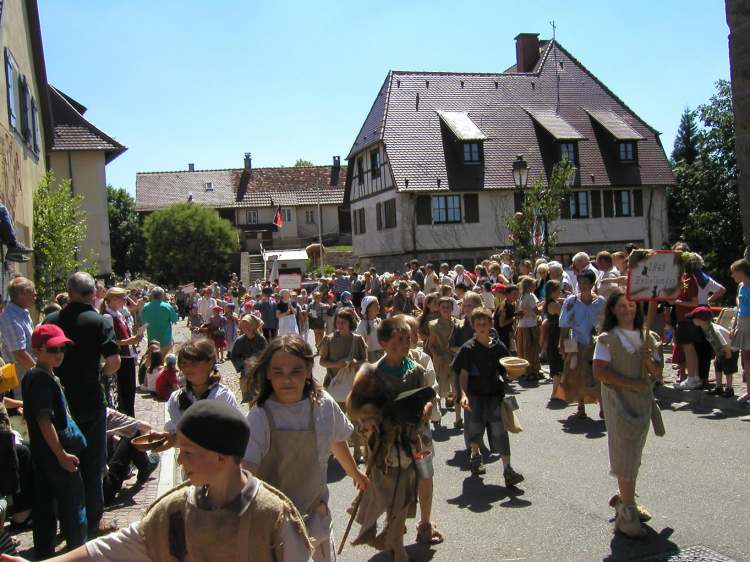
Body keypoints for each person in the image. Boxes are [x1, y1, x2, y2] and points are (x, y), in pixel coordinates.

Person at [3, 400, 315, 562]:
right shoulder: (176, 511)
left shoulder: (272, 515)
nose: (180, 461)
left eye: (189, 452)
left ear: (221, 456)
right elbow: (106, 550)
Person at [243, 335, 368, 561]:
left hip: (316, 510)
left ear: (309, 369)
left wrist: (354, 472)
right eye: (278, 371)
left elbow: (335, 440)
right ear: (268, 373)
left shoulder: (323, 404)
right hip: (275, 520)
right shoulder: (260, 416)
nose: (287, 379)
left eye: (296, 371)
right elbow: (247, 469)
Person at [347, 317, 435, 562]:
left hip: (413, 439)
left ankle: (396, 539)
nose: (405, 344)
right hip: (386, 445)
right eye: (399, 339)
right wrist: (367, 420)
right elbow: (354, 407)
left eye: (408, 339)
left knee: (407, 493)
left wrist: (427, 407)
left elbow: (428, 396)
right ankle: (394, 542)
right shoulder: (371, 372)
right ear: (384, 342)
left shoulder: (416, 370)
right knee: (392, 493)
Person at [44, 272, 121, 537]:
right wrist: (100, 374)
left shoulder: (52, 320)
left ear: (69, 291)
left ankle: (67, 522)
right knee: (92, 462)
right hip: (90, 398)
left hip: (59, 400)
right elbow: (114, 363)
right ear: (93, 294)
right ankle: (92, 521)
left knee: (62, 461)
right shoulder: (99, 322)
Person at [593, 290, 663, 539]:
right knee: (624, 453)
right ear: (613, 310)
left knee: (634, 453)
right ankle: (627, 514)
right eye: (621, 306)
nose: (627, 310)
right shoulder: (606, 339)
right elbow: (600, 372)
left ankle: (625, 499)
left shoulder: (648, 338)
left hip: (642, 404)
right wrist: (630, 384)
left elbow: (657, 373)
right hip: (619, 404)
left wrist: (648, 362)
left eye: (631, 306)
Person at [21, 324, 86, 558]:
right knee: (73, 508)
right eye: (52, 349)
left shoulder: (37, 375)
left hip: (43, 453)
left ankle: (46, 553)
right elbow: (44, 420)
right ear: (37, 350)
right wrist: (62, 455)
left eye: (62, 348)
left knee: (45, 508)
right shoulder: (40, 380)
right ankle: (79, 553)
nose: (59, 353)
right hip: (54, 454)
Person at [454, 308, 525, 486]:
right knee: (475, 429)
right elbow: (463, 375)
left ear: (491, 324)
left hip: (494, 395)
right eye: (478, 324)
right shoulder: (468, 349)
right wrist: (463, 395)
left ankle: (508, 470)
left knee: (500, 432)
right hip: (475, 396)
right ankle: (476, 456)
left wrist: (512, 374)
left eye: (485, 323)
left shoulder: (498, 347)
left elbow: (507, 369)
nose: (482, 327)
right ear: (473, 326)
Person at [154, 339, 240, 449]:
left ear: (209, 364)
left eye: (193, 363)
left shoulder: (222, 397)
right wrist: (170, 441)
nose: (187, 368)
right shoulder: (175, 399)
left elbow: (233, 436)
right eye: (183, 363)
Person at [558, 269, 605, 418]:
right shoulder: (571, 302)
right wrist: (562, 343)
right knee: (575, 373)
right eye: (580, 282)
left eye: (586, 282)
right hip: (575, 342)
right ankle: (580, 406)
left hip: (596, 343)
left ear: (592, 284)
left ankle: (603, 405)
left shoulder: (600, 302)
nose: (582, 285)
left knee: (597, 375)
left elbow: (606, 323)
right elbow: (565, 324)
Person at [101, 287, 142, 418]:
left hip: (128, 355)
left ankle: (130, 419)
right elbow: (110, 341)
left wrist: (134, 334)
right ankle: (128, 422)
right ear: (112, 299)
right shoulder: (108, 316)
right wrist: (129, 341)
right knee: (124, 393)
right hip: (121, 357)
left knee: (130, 392)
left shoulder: (118, 314)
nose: (125, 301)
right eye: (122, 298)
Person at [687, 307, 738, 398]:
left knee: (728, 369)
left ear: (702, 320)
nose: (692, 320)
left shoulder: (714, 330)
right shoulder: (705, 328)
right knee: (718, 367)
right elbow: (713, 342)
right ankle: (719, 387)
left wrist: (728, 355)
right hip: (721, 351)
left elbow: (725, 344)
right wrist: (717, 355)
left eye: (694, 318)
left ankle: (729, 389)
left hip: (730, 350)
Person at [0, 277, 36, 399]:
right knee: (27, 411)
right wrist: (39, 372)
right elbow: (19, 353)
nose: (35, 294)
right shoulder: (10, 317)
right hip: (22, 370)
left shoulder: (22, 312)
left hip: (28, 366)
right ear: (24, 293)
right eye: (33, 291)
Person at [425, 297, 458, 426]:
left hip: (455, 358)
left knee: (456, 388)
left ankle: (458, 417)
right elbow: (430, 344)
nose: (445, 309)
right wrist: (437, 355)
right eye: (443, 307)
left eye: (448, 307)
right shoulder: (433, 325)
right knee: (438, 389)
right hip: (440, 360)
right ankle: (437, 416)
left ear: (452, 308)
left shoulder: (457, 323)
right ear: (439, 308)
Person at [232, 315, 268, 401]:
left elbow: (267, 355)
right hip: (246, 373)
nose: (245, 328)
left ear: (253, 326)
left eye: (248, 325)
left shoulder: (261, 340)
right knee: (250, 397)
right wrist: (243, 363)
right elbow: (233, 356)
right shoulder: (239, 341)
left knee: (261, 397)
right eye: (243, 325)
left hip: (259, 372)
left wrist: (257, 361)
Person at [730, 258, 750, 402]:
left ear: (742, 272)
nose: (732, 276)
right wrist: (734, 326)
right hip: (742, 323)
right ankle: (749, 390)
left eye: (734, 273)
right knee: (745, 359)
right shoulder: (741, 286)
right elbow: (739, 309)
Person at [515, 276, 541, 381]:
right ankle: (532, 371)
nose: (535, 287)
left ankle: (525, 370)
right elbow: (536, 311)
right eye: (533, 285)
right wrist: (542, 308)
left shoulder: (522, 296)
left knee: (523, 349)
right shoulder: (530, 296)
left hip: (522, 325)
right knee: (531, 349)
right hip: (530, 326)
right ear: (529, 286)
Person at [139, 287, 178, 356]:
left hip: (152, 341)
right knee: (165, 362)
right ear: (162, 295)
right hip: (166, 341)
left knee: (154, 362)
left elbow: (143, 321)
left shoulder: (145, 307)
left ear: (152, 295)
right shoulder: (168, 306)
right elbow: (175, 320)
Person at [544, 281, 565, 402]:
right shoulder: (553, 304)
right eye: (558, 291)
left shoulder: (550, 302)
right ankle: (556, 393)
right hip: (557, 333)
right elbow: (565, 316)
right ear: (553, 291)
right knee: (558, 363)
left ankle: (557, 392)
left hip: (554, 333)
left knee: (558, 363)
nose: (560, 293)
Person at [356, 296, 383, 363]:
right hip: (369, 358)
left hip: (381, 356)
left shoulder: (379, 321)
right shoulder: (362, 326)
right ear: (368, 309)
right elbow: (359, 347)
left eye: (378, 304)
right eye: (375, 305)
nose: (378, 307)